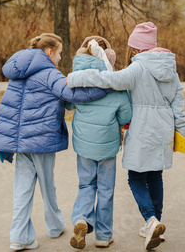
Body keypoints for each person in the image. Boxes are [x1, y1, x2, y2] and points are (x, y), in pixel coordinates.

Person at [66, 22, 185, 250]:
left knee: (136, 178)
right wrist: (180, 135)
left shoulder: (137, 68)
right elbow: (179, 106)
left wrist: (74, 78)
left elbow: (109, 79)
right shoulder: (171, 70)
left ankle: (151, 220)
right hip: (164, 129)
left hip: (142, 128)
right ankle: (153, 223)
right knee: (155, 176)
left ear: (136, 48)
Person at [0, 33, 109, 251]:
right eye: (60, 53)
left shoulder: (19, 72)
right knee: (47, 186)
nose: (61, 58)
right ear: (49, 52)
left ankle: (19, 236)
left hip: (20, 142)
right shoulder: (49, 74)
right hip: (42, 141)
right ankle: (55, 227)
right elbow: (74, 94)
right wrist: (106, 85)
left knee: (22, 188)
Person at [67, 36, 132, 249]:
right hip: (107, 145)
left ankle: (81, 219)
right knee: (105, 189)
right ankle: (103, 235)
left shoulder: (75, 81)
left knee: (86, 184)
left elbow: (68, 104)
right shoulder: (115, 84)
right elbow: (125, 116)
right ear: (109, 59)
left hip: (84, 144)